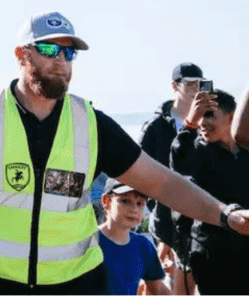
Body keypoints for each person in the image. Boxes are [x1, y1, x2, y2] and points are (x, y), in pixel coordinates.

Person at [0, 10, 249, 295]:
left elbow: (162, 182)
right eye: (50, 50)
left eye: (70, 53)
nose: (62, 62)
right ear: (22, 55)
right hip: (0, 286)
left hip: (78, 284)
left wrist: (225, 213)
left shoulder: (90, 124)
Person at [170, 88, 249, 295]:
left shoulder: (245, 155)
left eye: (209, 115)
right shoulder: (199, 151)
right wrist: (190, 122)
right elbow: (179, 162)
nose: (203, 122)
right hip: (210, 257)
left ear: (231, 117)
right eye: (200, 116)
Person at [139, 62, 205, 294]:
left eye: (200, 83)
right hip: (166, 218)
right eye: (189, 83)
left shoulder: (208, 124)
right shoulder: (156, 126)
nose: (196, 88)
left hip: (200, 214)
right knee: (166, 279)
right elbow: (138, 167)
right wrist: (153, 204)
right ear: (174, 86)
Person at [96, 179, 168, 295]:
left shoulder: (143, 246)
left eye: (140, 203)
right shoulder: (89, 242)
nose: (134, 209)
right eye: (125, 201)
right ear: (107, 201)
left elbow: (158, 289)